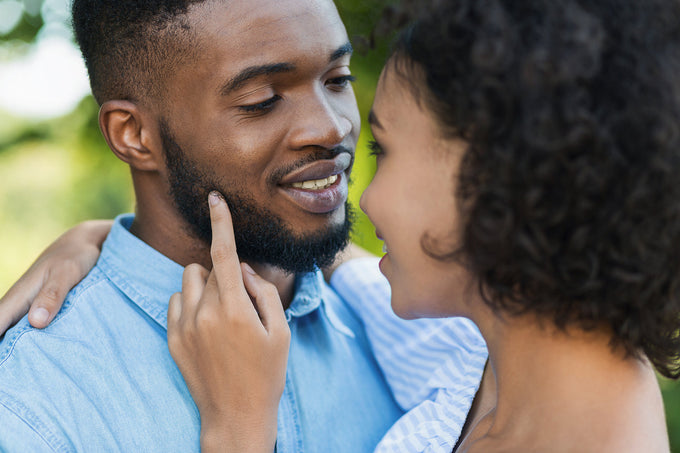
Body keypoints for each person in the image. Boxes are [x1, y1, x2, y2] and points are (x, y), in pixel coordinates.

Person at [121, 0, 680, 451]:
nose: (366, 198)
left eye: (382, 150)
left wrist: (238, 429)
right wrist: (117, 240)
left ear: (491, 176)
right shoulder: (484, 354)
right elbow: (338, 265)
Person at [0, 0, 489, 452]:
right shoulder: (33, 401)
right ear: (134, 135)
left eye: (337, 79)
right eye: (261, 100)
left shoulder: (412, 331)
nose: (331, 127)